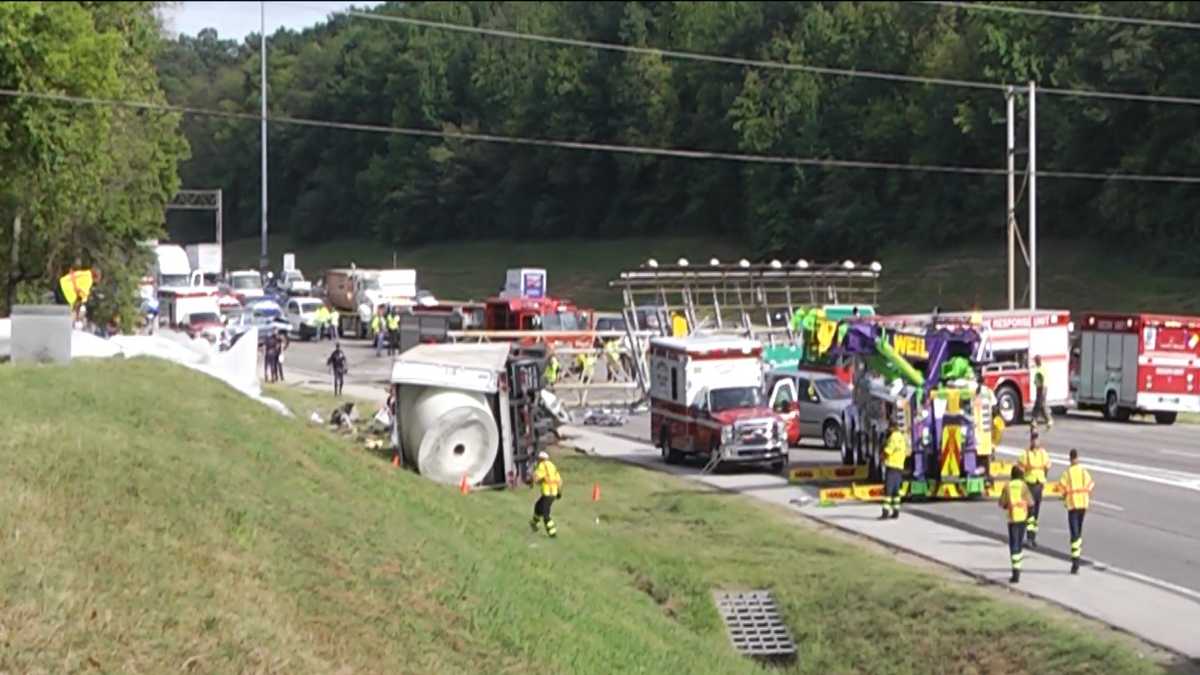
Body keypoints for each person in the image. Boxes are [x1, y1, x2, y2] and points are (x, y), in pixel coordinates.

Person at [1059, 448, 1095, 574]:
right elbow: (1090, 486)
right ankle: (1076, 557)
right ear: (1077, 458)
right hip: (1083, 505)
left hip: (1073, 505)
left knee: (1074, 534)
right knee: (1078, 532)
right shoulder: (1083, 471)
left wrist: (1065, 497)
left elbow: (1061, 490)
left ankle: (1075, 562)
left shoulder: (1067, 473)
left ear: (1070, 458)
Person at [998, 465, 1033, 583]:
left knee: (1013, 545)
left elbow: (1002, 503)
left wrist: (1008, 505)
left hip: (1012, 518)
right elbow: (1031, 503)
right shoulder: (1024, 486)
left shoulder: (1007, 486)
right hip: (1022, 517)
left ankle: (1015, 572)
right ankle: (1018, 570)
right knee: (1019, 543)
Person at [1018, 429, 1051, 547]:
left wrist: (1043, 481)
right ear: (1031, 441)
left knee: (1035, 514)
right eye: (1033, 439)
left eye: (1037, 439)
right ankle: (1028, 537)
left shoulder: (1043, 453)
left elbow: (1047, 467)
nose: (1035, 442)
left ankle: (1032, 537)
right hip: (1029, 486)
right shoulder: (1025, 454)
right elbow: (1020, 471)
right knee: (1029, 513)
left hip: (1038, 485)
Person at [529, 450, 562, 538]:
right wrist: (559, 491)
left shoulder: (542, 465)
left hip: (547, 493)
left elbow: (537, 477)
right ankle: (534, 524)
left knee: (545, 513)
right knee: (537, 506)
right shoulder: (552, 466)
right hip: (553, 493)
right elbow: (559, 480)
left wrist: (532, 481)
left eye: (538, 459)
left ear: (541, 459)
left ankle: (552, 532)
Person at [879, 419, 907, 520]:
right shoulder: (901, 437)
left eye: (889, 427)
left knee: (888, 491)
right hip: (899, 467)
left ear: (892, 427)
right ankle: (896, 511)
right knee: (896, 491)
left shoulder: (893, 437)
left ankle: (885, 513)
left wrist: (881, 457)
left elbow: (888, 451)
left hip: (891, 467)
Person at [1031, 355, 1053, 429]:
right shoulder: (1040, 368)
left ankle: (1037, 420)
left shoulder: (1041, 369)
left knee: (1040, 404)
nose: (1035, 362)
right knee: (1040, 404)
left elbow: (1043, 379)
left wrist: (1041, 389)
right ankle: (1043, 420)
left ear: (1038, 361)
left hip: (1042, 388)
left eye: (1036, 360)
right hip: (1040, 387)